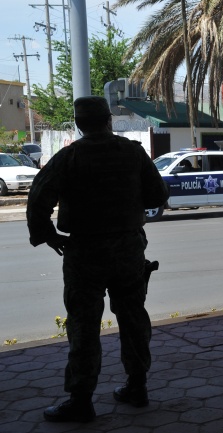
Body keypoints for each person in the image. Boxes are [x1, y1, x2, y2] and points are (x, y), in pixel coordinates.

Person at [26, 96, 170, 423]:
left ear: (79, 125)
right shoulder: (133, 153)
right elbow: (158, 195)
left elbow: (38, 199)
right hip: (128, 249)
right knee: (133, 318)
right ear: (109, 120)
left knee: (84, 325)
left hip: (85, 253)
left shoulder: (69, 156)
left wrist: (50, 237)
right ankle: (137, 386)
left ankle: (81, 400)